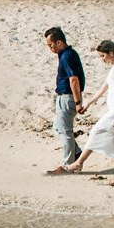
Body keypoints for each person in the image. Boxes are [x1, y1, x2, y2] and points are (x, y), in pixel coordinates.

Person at [52, 39, 114, 186]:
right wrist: (88, 104)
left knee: (96, 131)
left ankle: (78, 163)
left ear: (111, 53)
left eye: (103, 56)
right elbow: (102, 90)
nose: (102, 60)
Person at [41, 27, 86, 172]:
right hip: (64, 97)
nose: (50, 48)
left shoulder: (66, 56)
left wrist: (78, 102)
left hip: (67, 97)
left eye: (51, 45)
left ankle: (68, 166)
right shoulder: (68, 54)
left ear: (59, 42)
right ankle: (77, 153)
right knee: (58, 126)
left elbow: (74, 79)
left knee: (65, 131)